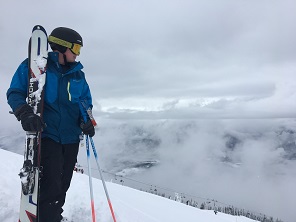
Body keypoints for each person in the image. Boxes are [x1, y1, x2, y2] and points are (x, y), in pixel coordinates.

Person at [7, 27, 95, 222]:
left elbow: (85, 103)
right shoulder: (36, 67)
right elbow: (14, 92)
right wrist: (25, 113)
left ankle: (55, 214)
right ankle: (47, 218)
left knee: (63, 184)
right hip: (48, 135)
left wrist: (86, 121)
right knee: (51, 185)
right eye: (76, 49)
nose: (78, 54)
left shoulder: (78, 75)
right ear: (62, 47)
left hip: (71, 138)